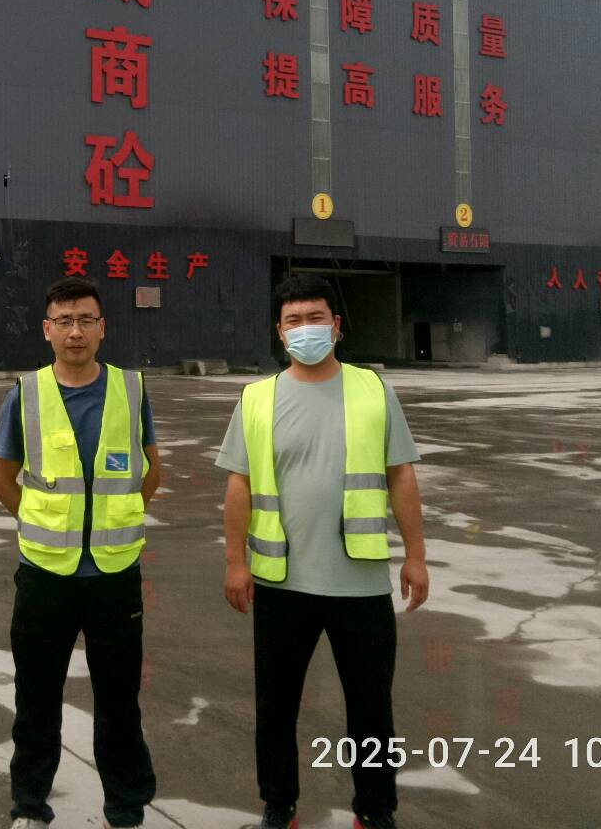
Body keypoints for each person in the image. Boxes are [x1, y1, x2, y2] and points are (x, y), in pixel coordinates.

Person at [219, 273, 428, 829]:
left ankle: (375, 811)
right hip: (281, 581)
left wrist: (416, 555)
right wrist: (236, 563)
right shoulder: (256, 398)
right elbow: (238, 485)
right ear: (279, 331)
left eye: (315, 318)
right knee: (276, 706)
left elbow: (401, 475)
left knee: (371, 710)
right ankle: (278, 806)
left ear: (336, 325)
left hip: (359, 582)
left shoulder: (373, 390)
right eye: (294, 320)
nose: (305, 329)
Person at [0, 276, 161, 829]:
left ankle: (126, 809)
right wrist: (44, 523)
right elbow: (2, 479)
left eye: (86, 320)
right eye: (64, 321)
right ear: (47, 330)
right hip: (45, 575)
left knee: (120, 701)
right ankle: (29, 807)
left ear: (102, 327)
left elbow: (151, 472)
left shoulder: (131, 390)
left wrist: (113, 520)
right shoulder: (25, 394)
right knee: (36, 699)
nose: (76, 332)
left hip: (115, 574)